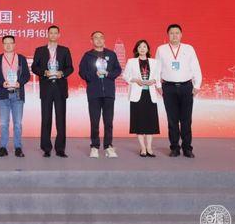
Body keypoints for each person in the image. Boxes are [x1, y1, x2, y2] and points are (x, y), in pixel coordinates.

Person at [155, 24, 202, 158]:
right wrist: (158, 85)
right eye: (171, 33)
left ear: (181, 35)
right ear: (168, 35)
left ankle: (187, 148)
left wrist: (197, 85)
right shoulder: (161, 49)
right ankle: (174, 147)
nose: (174, 35)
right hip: (168, 88)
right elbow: (157, 68)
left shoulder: (189, 48)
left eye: (177, 33)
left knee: (186, 120)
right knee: (172, 120)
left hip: (186, 87)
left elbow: (195, 67)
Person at [31, 25, 74, 158]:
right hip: (46, 88)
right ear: (47, 34)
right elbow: (34, 67)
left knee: (61, 120)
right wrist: (44, 72)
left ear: (59, 35)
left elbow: (70, 68)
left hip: (60, 88)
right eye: (51, 33)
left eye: (56, 33)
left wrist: (62, 73)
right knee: (46, 119)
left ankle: (60, 149)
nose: (53, 35)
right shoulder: (40, 50)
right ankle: (46, 148)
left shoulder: (65, 50)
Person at [78, 31, 122, 159]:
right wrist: (94, 74)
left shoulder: (111, 54)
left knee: (108, 122)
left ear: (104, 39)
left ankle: (108, 146)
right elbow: (82, 72)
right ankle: (94, 146)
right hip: (94, 93)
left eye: (101, 37)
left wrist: (108, 74)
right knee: (94, 121)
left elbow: (118, 70)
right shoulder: (87, 56)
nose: (98, 40)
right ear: (91, 41)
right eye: (95, 38)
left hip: (108, 93)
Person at [0, 35, 31, 158]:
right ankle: (3, 147)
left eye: (10, 43)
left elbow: (26, 75)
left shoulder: (21, 59)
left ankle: (18, 147)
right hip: (3, 94)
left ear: (14, 44)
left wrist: (20, 83)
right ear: (3, 45)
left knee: (17, 123)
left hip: (17, 95)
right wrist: (2, 83)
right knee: (3, 123)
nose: (8, 45)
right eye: (6, 43)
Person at [122, 39, 161, 157]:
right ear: (136, 49)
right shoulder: (131, 61)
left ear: (148, 49)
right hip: (137, 95)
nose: (142, 49)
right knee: (138, 122)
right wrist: (134, 80)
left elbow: (158, 77)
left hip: (150, 95)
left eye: (144, 46)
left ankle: (149, 147)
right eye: (139, 47)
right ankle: (143, 148)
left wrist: (153, 81)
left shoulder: (154, 62)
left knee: (150, 122)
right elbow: (125, 76)